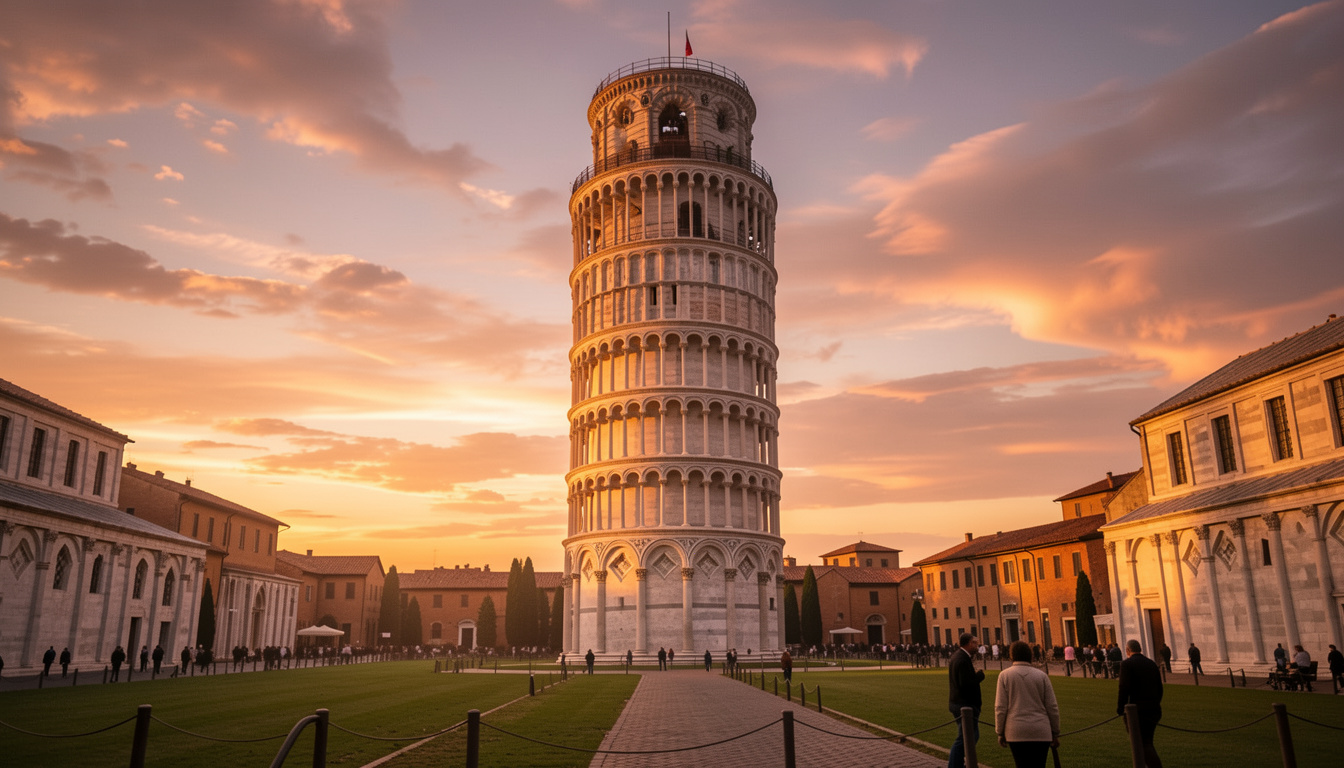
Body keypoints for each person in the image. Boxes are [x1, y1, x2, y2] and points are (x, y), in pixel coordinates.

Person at [995, 641, 1060, 768]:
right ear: (1030, 655)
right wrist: (1055, 731)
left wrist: (1000, 731)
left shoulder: (1004, 676)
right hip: (1041, 730)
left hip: (1016, 730)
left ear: (1012, 655)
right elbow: (1052, 707)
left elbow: (1000, 708)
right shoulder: (1042, 676)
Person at [1117, 639, 1164, 768]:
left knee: (1141, 744)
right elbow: (1160, 688)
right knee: (1147, 742)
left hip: (1137, 712)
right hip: (1153, 710)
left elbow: (1123, 688)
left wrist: (1121, 708)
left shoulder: (1127, 664)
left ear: (1127, 650)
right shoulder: (1151, 663)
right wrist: (1155, 703)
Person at [947, 632, 985, 768]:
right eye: (975, 643)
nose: (977, 645)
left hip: (959, 703)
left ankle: (958, 764)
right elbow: (965, 684)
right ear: (969, 643)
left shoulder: (959, 656)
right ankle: (954, 765)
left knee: (969, 736)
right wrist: (979, 676)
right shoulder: (962, 659)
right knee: (966, 738)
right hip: (964, 705)